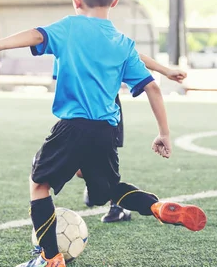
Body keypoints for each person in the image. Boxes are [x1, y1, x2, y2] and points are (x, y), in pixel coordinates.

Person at [0, 0, 206, 267]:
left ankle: (50, 259)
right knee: (109, 188)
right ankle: (154, 206)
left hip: (72, 126)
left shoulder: (69, 27)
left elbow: (37, 36)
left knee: (39, 184)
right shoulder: (123, 43)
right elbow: (152, 87)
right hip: (106, 130)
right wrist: (163, 132)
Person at [75, 56, 186, 223]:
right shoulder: (72, 37)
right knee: (81, 171)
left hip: (106, 113)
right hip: (75, 113)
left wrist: (166, 71)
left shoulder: (108, 39)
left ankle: (119, 206)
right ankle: (98, 187)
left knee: (105, 170)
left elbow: (131, 54)